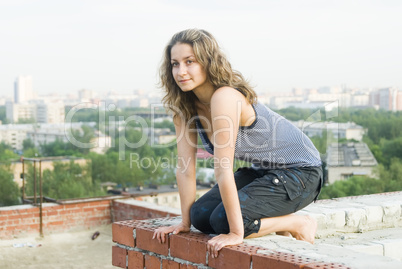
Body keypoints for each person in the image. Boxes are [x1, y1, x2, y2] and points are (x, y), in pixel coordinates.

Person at [152, 29, 323, 258]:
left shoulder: (225, 96)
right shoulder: (184, 109)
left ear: (207, 62)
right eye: (175, 64)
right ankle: (278, 223)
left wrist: (235, 233)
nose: (180, 71)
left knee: (224, 221)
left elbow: (223, 168)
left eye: (189, 62)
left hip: (302, 174)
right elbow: (185, 169)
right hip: (264, 172)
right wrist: (185, 223)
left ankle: (298, 224)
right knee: (200, 216)